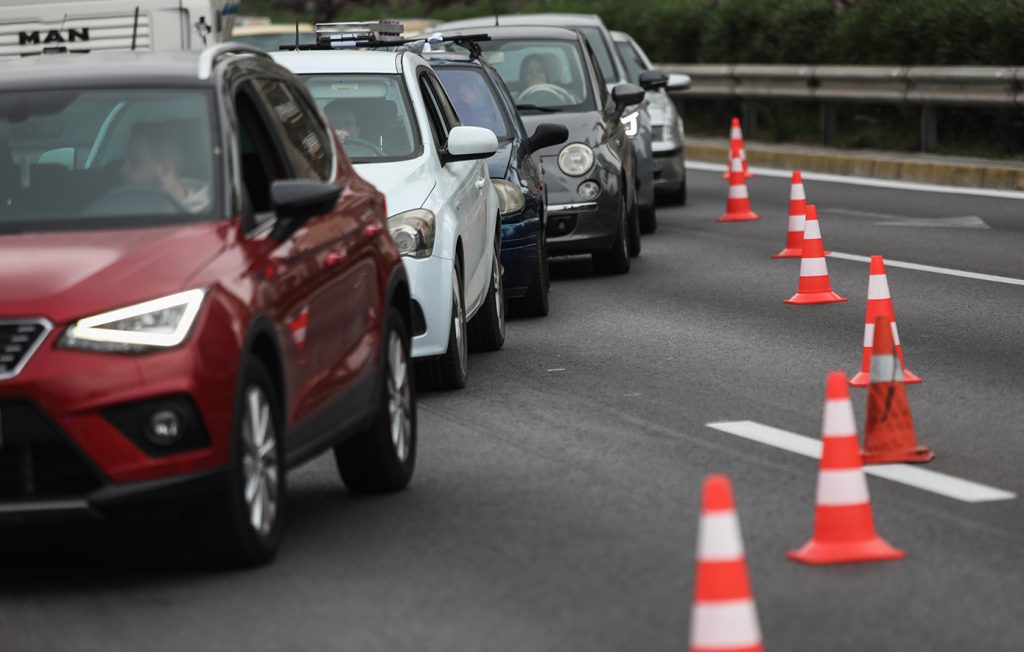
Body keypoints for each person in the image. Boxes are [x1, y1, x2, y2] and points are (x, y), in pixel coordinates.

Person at [121, 122, 209, 213]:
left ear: (165, 169)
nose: (123, 170)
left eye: (135, 161)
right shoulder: (118, 208)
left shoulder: (204, 214)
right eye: (124, 160)